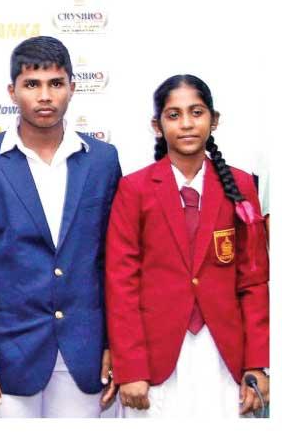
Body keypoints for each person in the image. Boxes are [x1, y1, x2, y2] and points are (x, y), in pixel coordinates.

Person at [0, 36, 121, 418]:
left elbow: (112, 263)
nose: (45, 96)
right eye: (32, 85)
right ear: (12, 92)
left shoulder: (102, 161)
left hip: (85, 350)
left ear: (72, 89)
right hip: (8, 353)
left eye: (55, 83)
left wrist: (117, 343)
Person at [106, 74, 269, 418]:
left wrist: (258, 363)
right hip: (156, 356)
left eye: (196, 112)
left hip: (224, 353)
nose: (187, 124)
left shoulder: (239, 185)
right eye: (174, 115)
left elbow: (254, 280)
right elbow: (121, 284)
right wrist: (131, 367)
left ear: (214, 120)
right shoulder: (135, 188)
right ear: (157, 124)